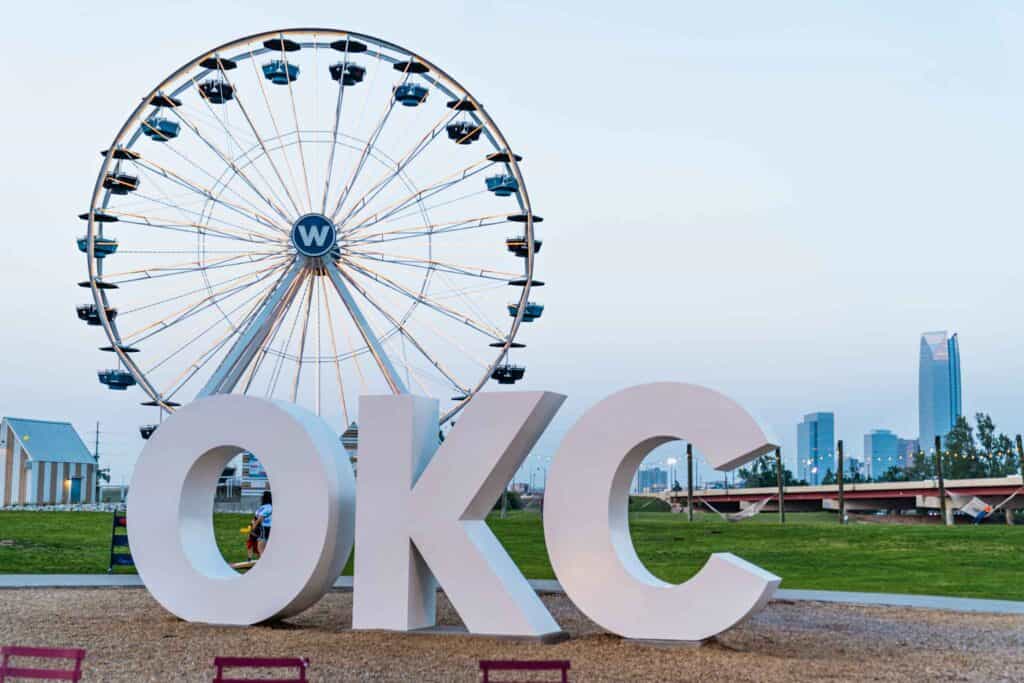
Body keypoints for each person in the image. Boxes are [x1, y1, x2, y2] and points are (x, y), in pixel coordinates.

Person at [254, 490, 272, 556]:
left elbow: (259, 518)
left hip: (264, 527)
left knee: (261, 541)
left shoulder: (263, 507)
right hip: (268, 526)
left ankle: (262, 556)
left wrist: (254, 526)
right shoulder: (270, 507)